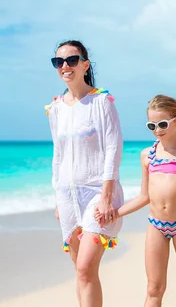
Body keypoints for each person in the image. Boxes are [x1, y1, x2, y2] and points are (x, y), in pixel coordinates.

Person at [98, 94, 176, 307]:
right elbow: (144, 196)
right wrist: (115, 213)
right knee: (154, 288)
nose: (157, 130)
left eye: (163, 124)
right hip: (156, 226)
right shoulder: (147, 155)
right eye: (151, 125)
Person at [45, 40, 125, 307]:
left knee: (85, 269)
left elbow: (113, 148)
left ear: (85, 65)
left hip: (97, 194)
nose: (65, 66)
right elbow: (58, 155)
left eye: (72, 60)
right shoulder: (55, 108)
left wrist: (106, 196)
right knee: (80, 272)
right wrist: (58, 196)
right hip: (68, 196)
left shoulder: (101, 102)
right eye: (59, 62)